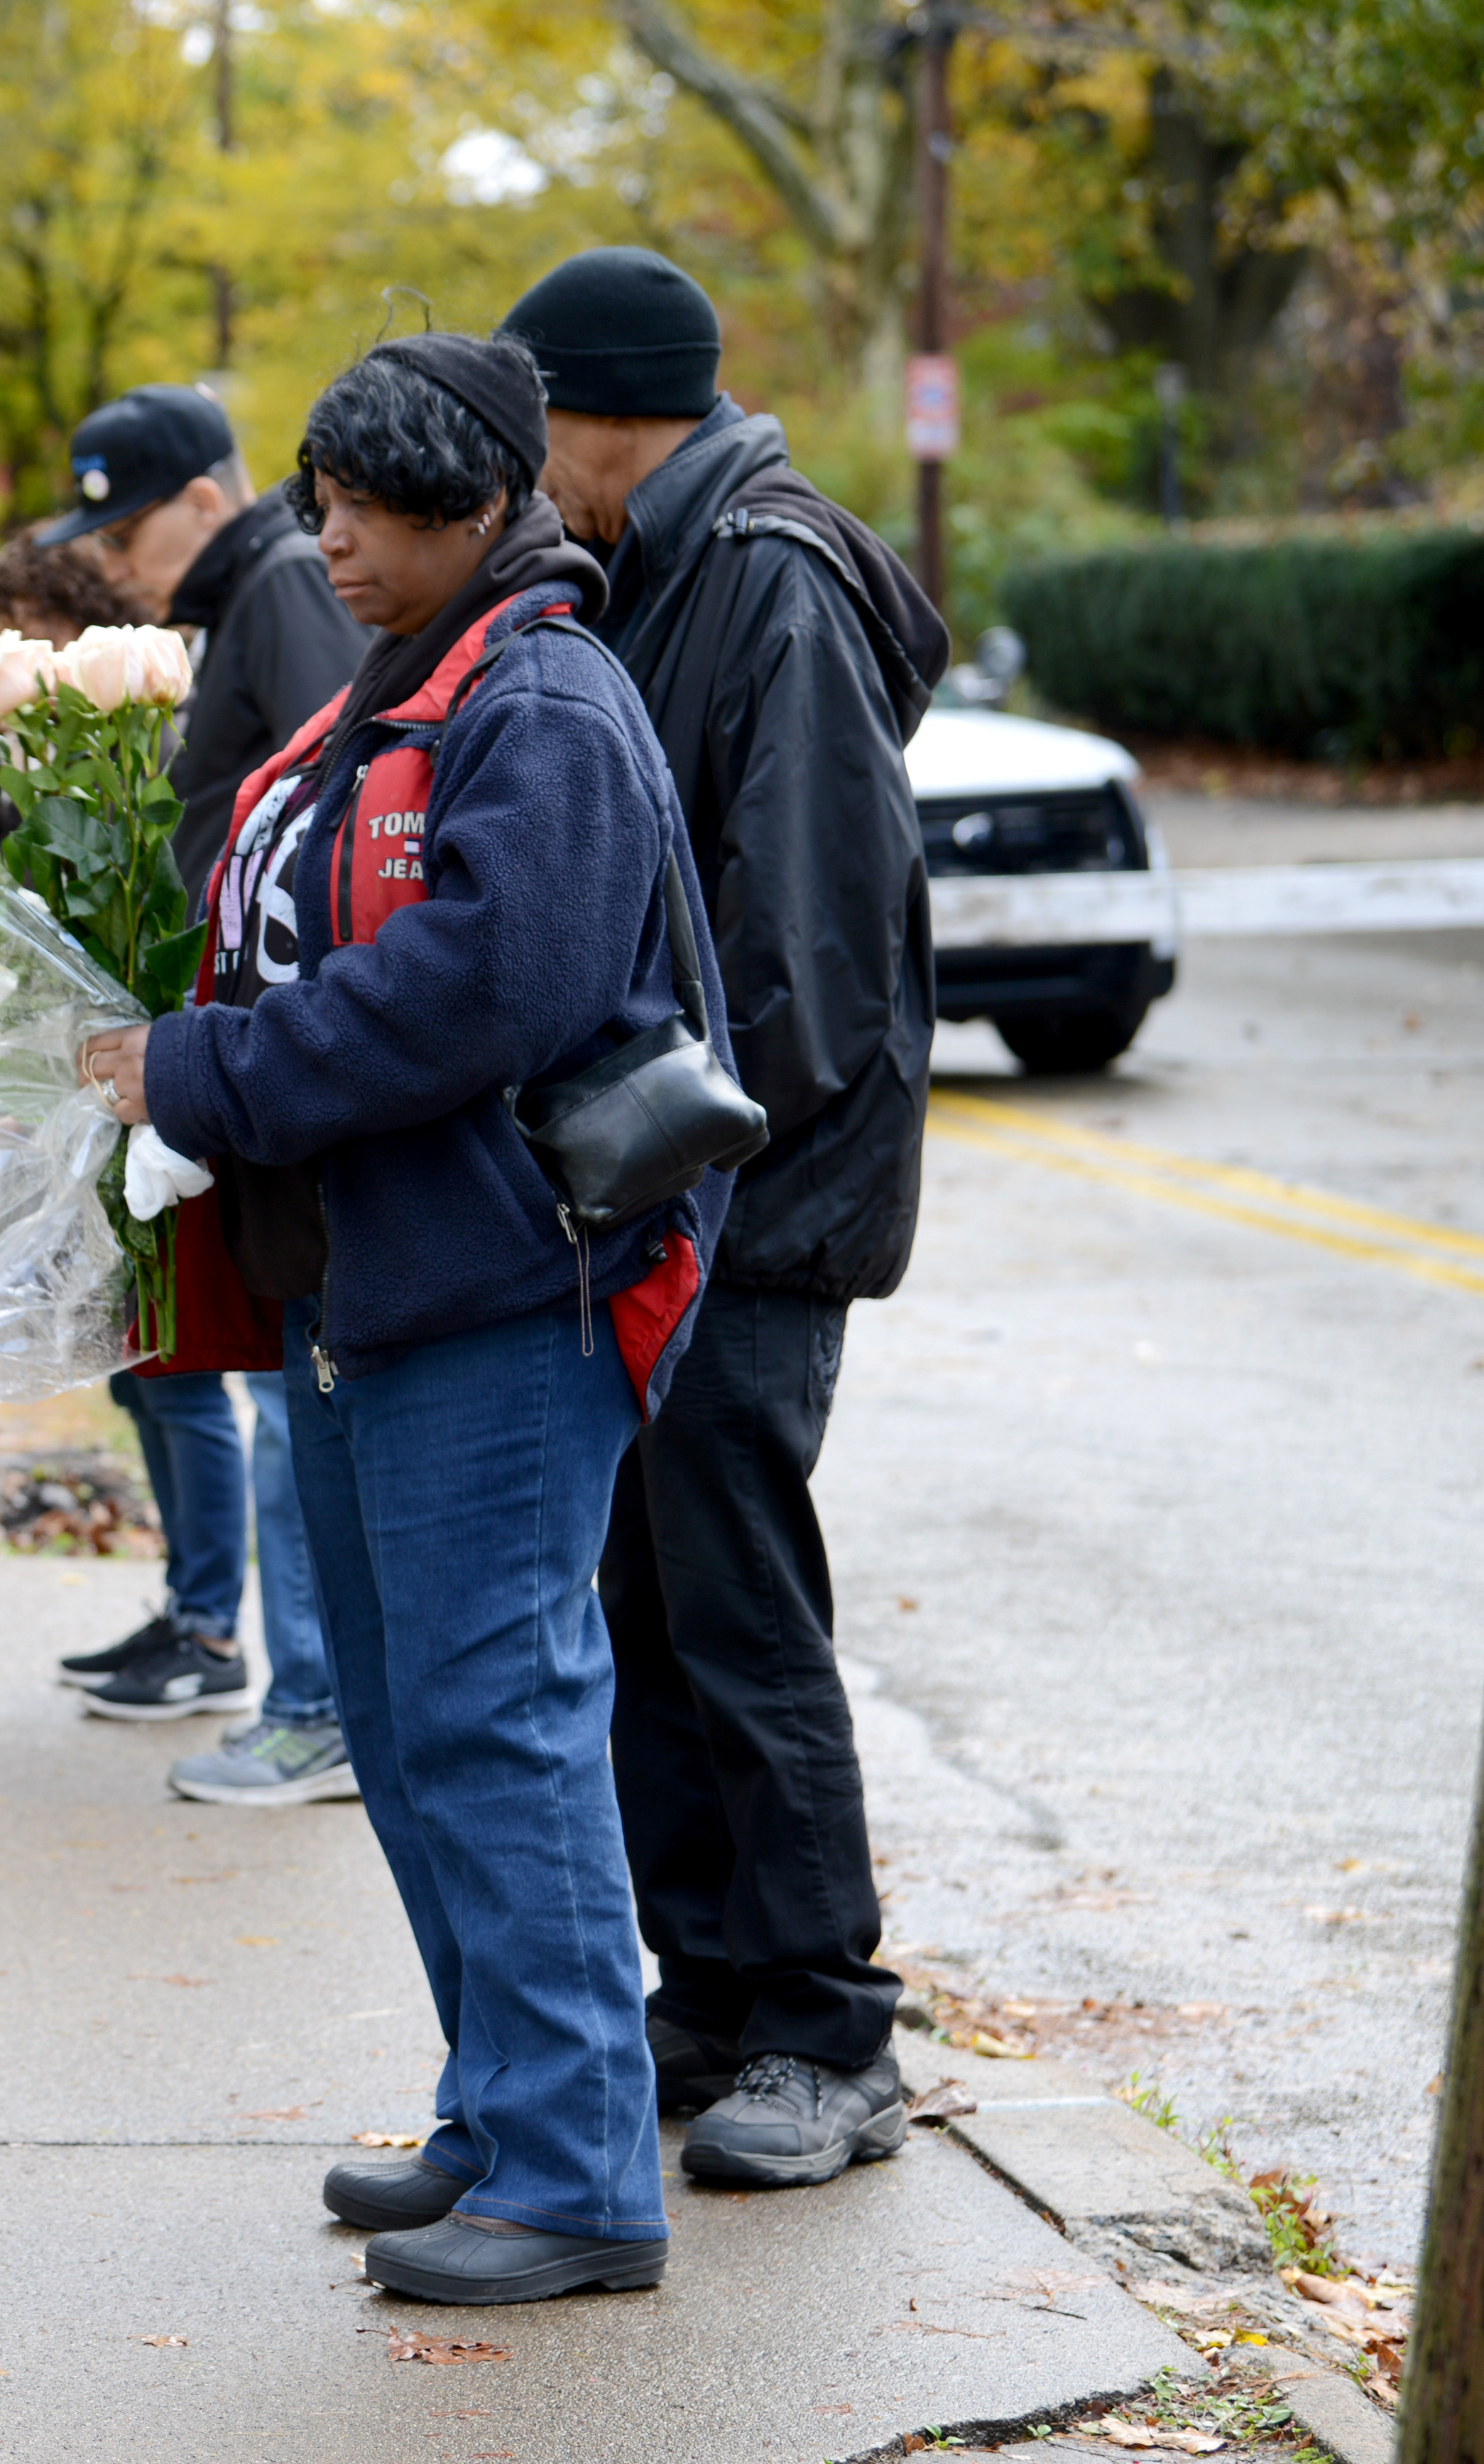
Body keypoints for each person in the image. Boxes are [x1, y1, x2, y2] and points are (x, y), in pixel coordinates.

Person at [76, 332, 726, 2304]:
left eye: (362, 511)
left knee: (497, 1718)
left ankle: (581, 2172)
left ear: (468, 507)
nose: (327, 543)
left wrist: (212, 1076)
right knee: (411, 1720)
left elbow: (485, 989)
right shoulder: (406, 683)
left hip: (502, 1290)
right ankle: (507, 2104)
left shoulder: (547, 697)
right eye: (317, 503)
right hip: (370, 1284)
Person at [498, 247, 947, 2191]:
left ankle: (830, 2034)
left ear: (609, 414)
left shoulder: (767, 573)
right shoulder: (671, 560)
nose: (534, 485)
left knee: (741, 1606)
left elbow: (815, 950)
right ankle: (712, 1994)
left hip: (752, 1202)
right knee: (649, 1602)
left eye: (540, 440)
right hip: (683, 1189)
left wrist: (696, 1169)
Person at [42, 384, 369, 1797]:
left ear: (202, 501)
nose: (111, 562)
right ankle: (312, 1691)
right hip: (252, 1053)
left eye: (127, 529)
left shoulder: (286, 584)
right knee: (290, 1384)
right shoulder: (246, 598)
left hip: (286, 1058)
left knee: (303, 1399)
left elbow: (324, 808)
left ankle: (317, 1703)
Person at [0, 535, 257, 1727]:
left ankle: (212, 1625)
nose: (19, 658)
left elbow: (154, 900)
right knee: (125, 1364)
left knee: (173, 1370)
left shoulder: (146, 742)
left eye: (35, 627)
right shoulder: (25, 758)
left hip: (145, 1071)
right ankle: (184, 1600)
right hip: (63, 1070)